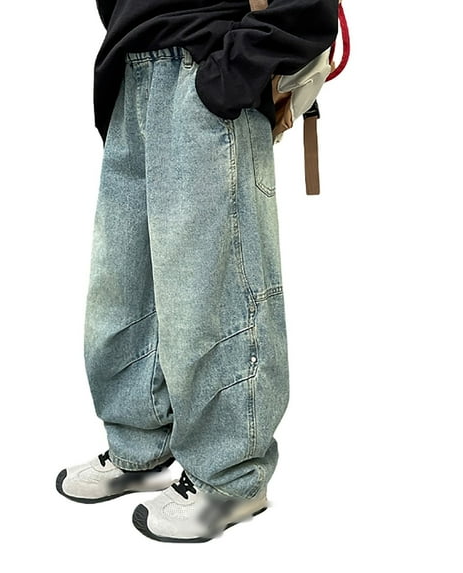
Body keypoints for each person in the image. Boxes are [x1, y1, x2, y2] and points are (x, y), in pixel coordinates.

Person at [56, 0, 339, 542]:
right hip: (134, 71)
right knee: (123, 290)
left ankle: (230, 480)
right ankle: (140, 447)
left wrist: (236, 68)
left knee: (213, 293)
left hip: (206, 69)